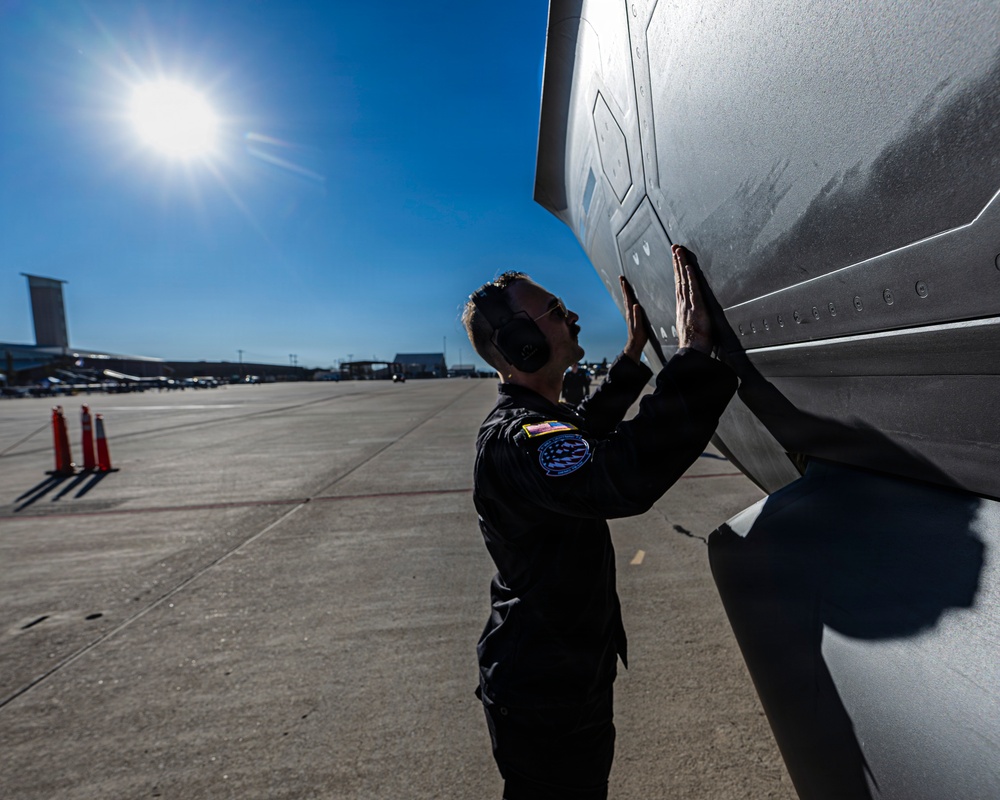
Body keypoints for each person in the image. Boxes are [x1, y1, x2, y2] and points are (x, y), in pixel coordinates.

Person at [461, 245, 738, 800]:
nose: (574, 317)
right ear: (523, 343)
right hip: (544, 691)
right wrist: (693, 355)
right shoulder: (517, 438)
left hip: (561, 675)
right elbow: (616, 475)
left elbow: (582, 431)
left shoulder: (542, 422)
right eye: (558, 311)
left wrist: (633, 357)